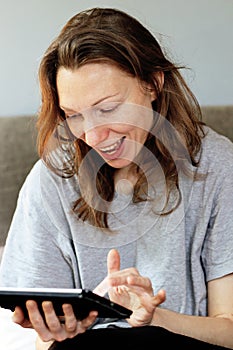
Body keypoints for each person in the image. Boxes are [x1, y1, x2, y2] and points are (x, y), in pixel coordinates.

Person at [0, 7, 233, 350]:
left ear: (153, 83)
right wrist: (55, 333)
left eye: (108, 108)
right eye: (74, 115)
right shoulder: (51, 179)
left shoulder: (217, 165)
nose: (93, 136)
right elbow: (41, 342)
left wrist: (152, 317)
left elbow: (228, 331)